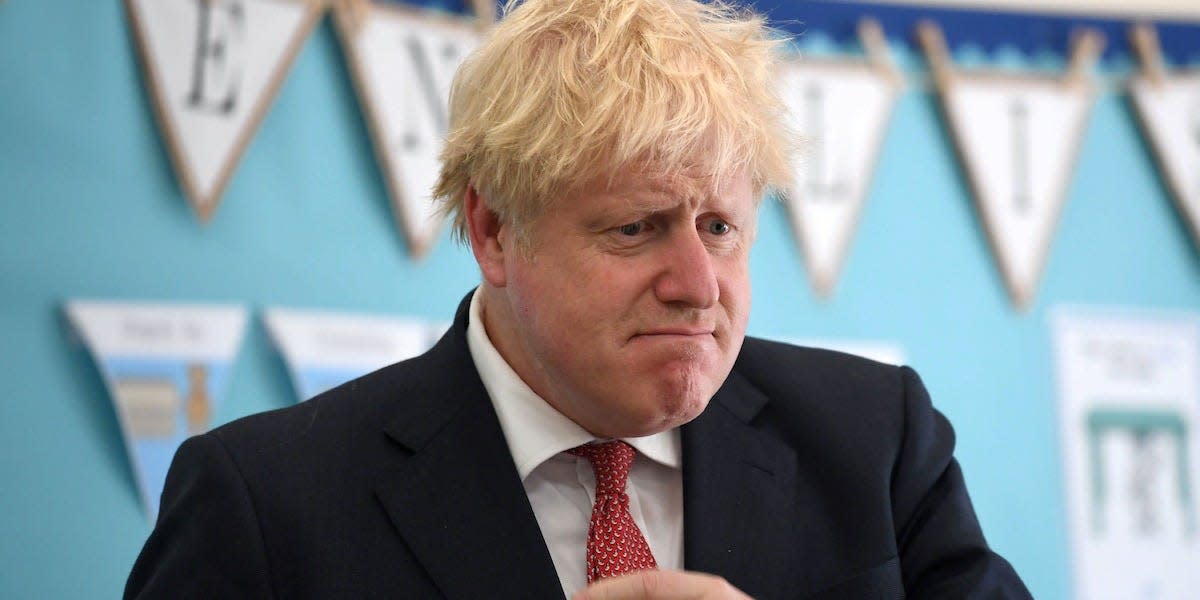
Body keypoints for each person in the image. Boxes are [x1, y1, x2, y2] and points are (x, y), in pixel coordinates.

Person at [126, 0, 1032, 598]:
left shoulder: (875, 439)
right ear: (493, 233)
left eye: (720, 226)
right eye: (635, 228)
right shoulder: (266, 504)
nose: (697, 286)